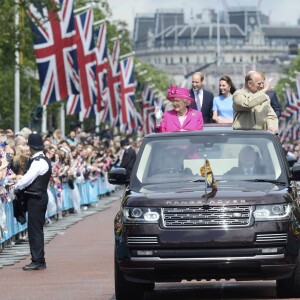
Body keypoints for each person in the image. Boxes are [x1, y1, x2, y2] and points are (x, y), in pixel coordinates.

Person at [14, 132, 52, 271]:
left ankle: (38, 260)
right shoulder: (44, 159)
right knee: (36, 229)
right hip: (38, 197)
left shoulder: (37, 162)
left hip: (36, 198)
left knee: (35, 230)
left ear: (31, 147)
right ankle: (38, 259)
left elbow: (26, 180)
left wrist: (15, 186)